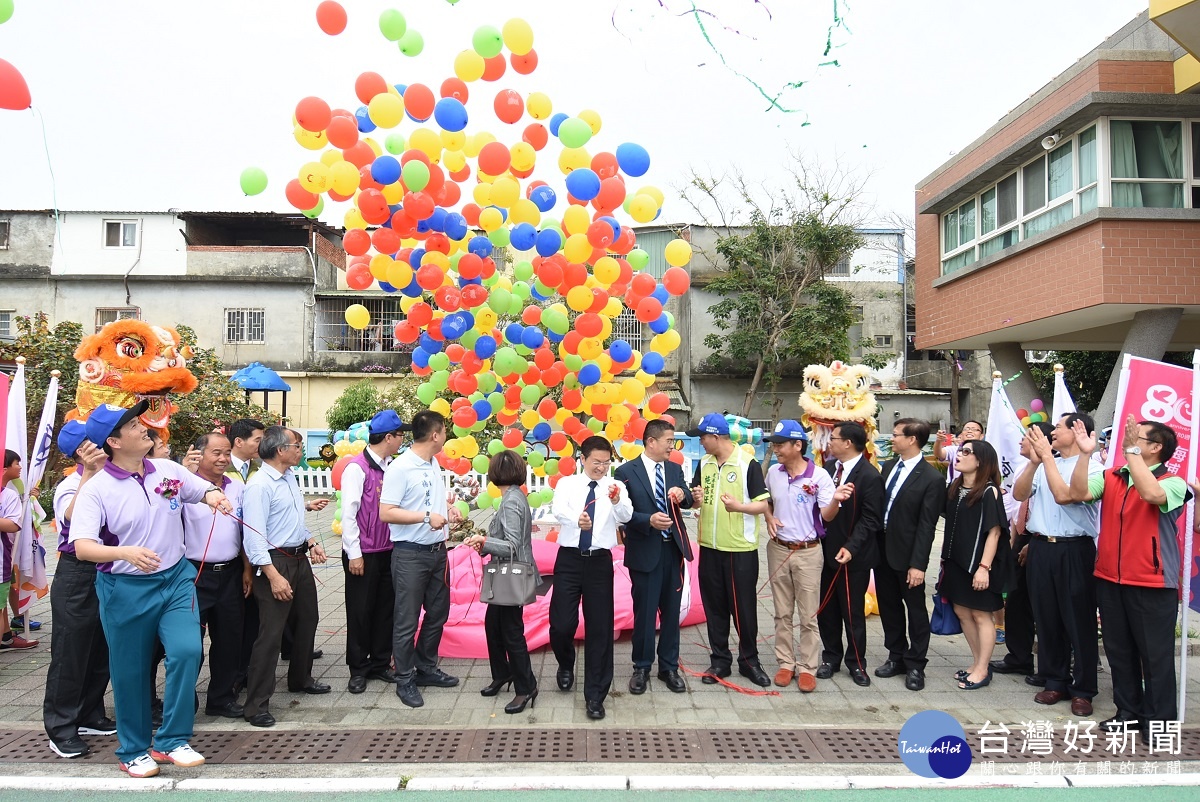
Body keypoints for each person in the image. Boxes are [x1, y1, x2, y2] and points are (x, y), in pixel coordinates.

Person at [69, 401, 233, 778]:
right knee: (130, 671)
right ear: (113, 441)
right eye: (132, 425)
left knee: (188, 650)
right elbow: (82, 547)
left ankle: (172, 741)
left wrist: (213, 496)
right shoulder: (97, 490)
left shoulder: (167, 469)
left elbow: (197, 490)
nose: (143, 427)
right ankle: (132, 749)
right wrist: (124, 552)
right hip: (123, 587)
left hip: (175, 579)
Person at [1072, 415, 1189, 741]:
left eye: (1140, 437)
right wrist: (1085, 455)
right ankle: (1128, 713)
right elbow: (1078, 492)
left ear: (1156, 447)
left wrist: (1131, 452)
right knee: (1119, 651)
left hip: (1152, 583)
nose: (1130, 441)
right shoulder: (1112, 477)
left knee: (1155, 657)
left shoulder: (1173, 481)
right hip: (1110, 578)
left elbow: (1152, 495)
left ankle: (1160, 723)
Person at [1011, 413, 1103, 717]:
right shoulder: (1044, 464)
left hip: (1074, 550)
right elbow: (1019, 493)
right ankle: (1055, 680)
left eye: (1059, 428)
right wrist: (1035, 462)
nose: (1052, 434)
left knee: (1078, 620)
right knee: (1046, 617)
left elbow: (1066, 497)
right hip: (1041, 547)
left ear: (1079, 432)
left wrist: (1046, 458)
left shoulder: (1094, 466)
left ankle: (1084, 689)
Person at [241, 427, 330, 729]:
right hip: (274, 563)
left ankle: (301, 678)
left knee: (309, 618)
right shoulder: (259, 486)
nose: (300, 450)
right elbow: (254, 537)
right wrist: (272, 575)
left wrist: (311, 542)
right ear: (280, 450)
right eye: (297, 445)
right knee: (271, 635)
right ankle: (256, 705)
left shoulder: (290, 477)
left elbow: (292, 521)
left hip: (298, 558)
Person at [379, 410, 464, 709]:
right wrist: (427, 516)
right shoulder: (400, 468)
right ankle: (405, 678)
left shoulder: (433, 462)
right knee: (406, 619)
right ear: (435, 435)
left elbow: (430, 499)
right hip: (410, 555)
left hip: (437, 552)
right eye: (445, 431)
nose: (446, 437)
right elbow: (386, 512)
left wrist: (448, 509)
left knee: (438, 613)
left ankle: (426, 667)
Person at [43, 422, 114, 758]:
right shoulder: (71, 484)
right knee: (71, 652)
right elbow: (70, 517)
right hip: (77, 574)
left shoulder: (111, 479)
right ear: (78, 454)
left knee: (101, 647)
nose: (100, 449)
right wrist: (87, 472)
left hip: (108, 569)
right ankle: (61, 727)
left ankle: (89, 713)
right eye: (91, 446)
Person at [550, 435, 632, 720]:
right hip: (570, 559)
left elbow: (627, 515)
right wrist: (578, 520)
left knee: (600, 629)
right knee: (561, 624)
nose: (601, 467)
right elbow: (558, 509)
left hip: (599, 562)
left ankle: (596, 695)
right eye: (596, 462)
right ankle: (565, 663)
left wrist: (619, 500)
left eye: (606, 462)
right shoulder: (567, 484)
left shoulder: (615, 486)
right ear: (582, 460)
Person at [687, 412, 772, 688]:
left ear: (716, 436)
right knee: (715, 608)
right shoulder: (705, 464)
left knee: (743, 609)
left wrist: (739, 507)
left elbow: (763, 504)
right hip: (709, 547)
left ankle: (750, 662)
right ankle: (720, 660)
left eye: (702, 437)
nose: (700, 442)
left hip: (740, 550)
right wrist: (695, 501)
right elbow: (696, 502)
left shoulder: (747, 462)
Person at [614, 419, 694, 695]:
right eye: (669, 441)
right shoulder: (625, 471)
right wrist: (648, 520)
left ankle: (669, 667)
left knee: (672, 612)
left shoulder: (674, 469)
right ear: (651, 442)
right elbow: (621, 513)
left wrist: (682, 493)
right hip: (644, 551)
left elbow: (686, 502)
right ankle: (642, 666)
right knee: (645, 613)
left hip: (673, 551)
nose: (672, 446)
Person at [761, 420, 837, 693]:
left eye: (781, 444)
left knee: (808, 614)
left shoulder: (819, 477)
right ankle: (785, 662)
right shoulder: (773, 473)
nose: (777, 449)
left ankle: (807, 667)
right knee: (782, 612)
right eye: (775, 444)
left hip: (808, 552)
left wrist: (837, 499)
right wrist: (769, 517)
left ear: (798, 445)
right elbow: (766, 500)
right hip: (778, 548)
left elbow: (828, 515)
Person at [465, 451, 540, 714]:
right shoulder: (515, 496)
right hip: (508, 574)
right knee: (494, 626)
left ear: (494, 474)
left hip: (510, 575)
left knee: (511, 633)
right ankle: (503, 674)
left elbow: (511, 545)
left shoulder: (510, 502)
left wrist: (484, 542)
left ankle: (526, 686)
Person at [182, 432, 248, 719]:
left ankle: (220, 698)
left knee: (229, 639)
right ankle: (184, 702)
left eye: (226, 453)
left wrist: (246, 569)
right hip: (194, 573)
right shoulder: (184, 487)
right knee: (189, 643)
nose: (222, 459)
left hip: (231, 572)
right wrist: (186, 473)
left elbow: (243, 530)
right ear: (199, 454)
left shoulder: (237, 487)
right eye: (215, 453)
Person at [341, 410, 408, 694]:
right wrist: (354, 553)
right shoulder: (357, 468)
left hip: (389, 550)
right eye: (400, 435)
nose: (403, 439)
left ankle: (381, 663)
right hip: (363, 553)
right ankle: (358, 668)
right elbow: (349, 514)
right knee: (360, 611)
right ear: (388, 437)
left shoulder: (393, 466)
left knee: (385, 610)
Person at [874, 418, 943, 692]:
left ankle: (916, 663)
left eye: (896, 435)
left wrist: (918, 564)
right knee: (889, 607)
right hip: (882, 551)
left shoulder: (932, 478)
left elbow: (927, 525)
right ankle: (896, 656)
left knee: (915, 611)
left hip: (908, 555)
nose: (892, 439)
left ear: (912, 439)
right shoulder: (889, 467)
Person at [939, 439, 1010, 690]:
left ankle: (982, 669)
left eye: (966, 452)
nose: (960, 455)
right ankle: (978, 661)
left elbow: (994, 532)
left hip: (979, 564)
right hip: (956, 561)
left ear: (980, 460)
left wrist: (984, 567)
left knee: (981, 614)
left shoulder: (989, 491)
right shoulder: (956, 487)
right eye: (960, 451)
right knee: (961, 611)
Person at [817, 422, 883, 687]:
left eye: (833, 438)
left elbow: (871, 519)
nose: (829, 442)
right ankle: (830, 657)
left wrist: (851, 547)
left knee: (852, 611)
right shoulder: (829, 471)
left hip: (852, 556)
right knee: (826, 610)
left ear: (848, 443)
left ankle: (856, 662)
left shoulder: (870, 476)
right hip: (825, 552)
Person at [990, 421, 1053, 684]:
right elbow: (1019, 506)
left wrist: (1031, 543)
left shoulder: (1053, 470)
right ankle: (1019, 657)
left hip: (1043, 538)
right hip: (1023, 535)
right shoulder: (1023, 468)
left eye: (1026, 438)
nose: (1020, 443)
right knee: (1016, 601)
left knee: (1044, 606)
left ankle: (1051, 666)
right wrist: (1016, 542)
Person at [0, 450, 38, 651]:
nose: (21, 467)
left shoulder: (9, 494)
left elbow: (14, 524)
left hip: (6, 555)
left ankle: (7, 635)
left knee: (5, 595)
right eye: (17, 463)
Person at [934, 420, 984, 486]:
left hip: (979, 488)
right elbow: (939, 454)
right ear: (961, 434)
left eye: (974, 429)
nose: (969, 431)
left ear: (981, 436)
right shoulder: (955, 450)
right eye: (966, 429)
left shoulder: (986, 452)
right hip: (955, 489)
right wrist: (939, 441)